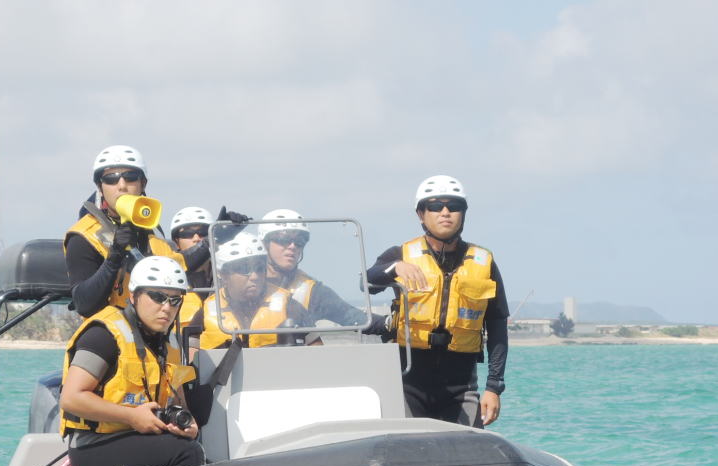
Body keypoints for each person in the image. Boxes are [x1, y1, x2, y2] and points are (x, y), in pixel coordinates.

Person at [366, 175, 509, 427]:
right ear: (421, 214)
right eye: (435, 206)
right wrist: (394, 268)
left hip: (461, 388)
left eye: (454, 206)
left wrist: (494, 387)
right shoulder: (401, 255)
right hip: (408, 382)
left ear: (463, 214)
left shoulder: (484, 262)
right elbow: (367, 282)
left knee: (470, 444)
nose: (445, 212)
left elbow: (497, 326)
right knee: (409, 443)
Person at [59, 256, 204, 466]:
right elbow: (71, 398)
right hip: (94, 446)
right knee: (186, 453)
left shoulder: (171, 345)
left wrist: (187, 423)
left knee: (194, 442)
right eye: (157, 297)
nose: (166, 308)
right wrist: (132, 417)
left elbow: (180, 402)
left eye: (175, 300)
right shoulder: (104, 336)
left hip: (141, 438)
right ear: (133, 296)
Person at [63, 145, 209, 317]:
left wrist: (216, 237)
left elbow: (179, 264)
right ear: (100, 186)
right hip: (109, 330)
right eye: (111, 179)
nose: (122, 186)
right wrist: (114, 257)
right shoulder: (83, 236)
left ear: (143, 184)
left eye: (130, 177)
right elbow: (84, 304)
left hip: (154, 328)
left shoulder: (147, 230)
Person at [259, 209, 388, 334]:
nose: (292, 246)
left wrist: (389, 323)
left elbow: (349, 315)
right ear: (265, 244)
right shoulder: (248, 281)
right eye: (284, 239)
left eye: (299, 241)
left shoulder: (312, 291)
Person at [190, 231, 317, 349]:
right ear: (223, 274)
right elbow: (190, 357)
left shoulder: (289, 306)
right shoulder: (207, 311)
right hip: (224, 367)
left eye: (259, 268)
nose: (255, 276)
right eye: (244, 269)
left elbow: (317, 350)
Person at [169, 206, 214, 326]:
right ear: (176, 241)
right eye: (187, 233)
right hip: (179, 337)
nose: (196, 238)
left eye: (203, 232)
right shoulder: (167, 272)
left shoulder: (226, 274)